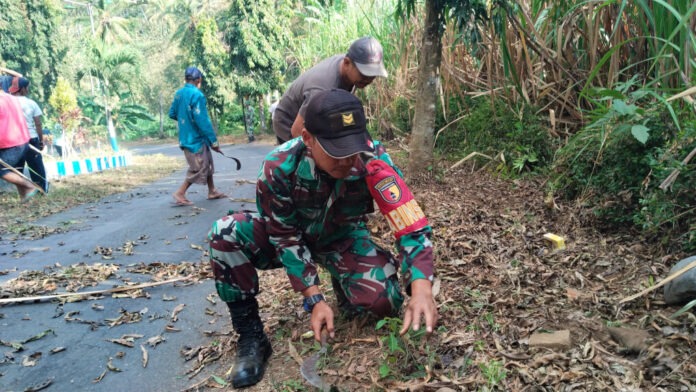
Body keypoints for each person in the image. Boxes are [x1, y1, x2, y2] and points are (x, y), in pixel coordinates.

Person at [209, 89, 437, 388]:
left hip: (341, 236)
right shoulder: (279, 166)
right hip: (290, 239)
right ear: (308, 138)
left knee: (383, 300)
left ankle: (345, 283)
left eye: (351, 148)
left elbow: (409, 223)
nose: (346, 160)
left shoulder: (372, 158)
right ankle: (251, 336)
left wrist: (421, 288)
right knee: (225, 232)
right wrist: (313, 299)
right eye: (335, 150)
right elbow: (285, 237)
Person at [272, 36, 388, 144]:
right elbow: (297, 131)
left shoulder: (350, 70)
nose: (369, 79)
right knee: (310, 159)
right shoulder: (322, 89)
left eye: (373, 74)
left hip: (315, 116)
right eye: (365, 73)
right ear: (347, 62)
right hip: (289, 124)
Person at [168, 66, 225, 206]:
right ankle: (180, 192)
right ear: (199, 80)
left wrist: (185, 120)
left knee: (207, 162)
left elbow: (172, 113)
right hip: (195, 139)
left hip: (186, 137)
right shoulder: (197, 95)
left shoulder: (179, 94)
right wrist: (214, 141)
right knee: (199, 167)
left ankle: (212, 190)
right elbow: (202, 120)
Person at [10, 77, 49, 193]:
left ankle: (23, 192)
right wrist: (41, 141)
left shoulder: (8, 103)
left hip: (15, 141)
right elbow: (38, 123)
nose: (28, 90)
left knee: (17, 169)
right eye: (27, 88)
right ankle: (41, 190)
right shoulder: (31, 103)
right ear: (22, 89)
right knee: (36, 167)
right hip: (31, 139)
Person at [0, 89, 38, 201]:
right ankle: (25, 199)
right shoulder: (11, 98)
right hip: (22, 140)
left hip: (10, 143)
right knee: (15, 170)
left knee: (4, 170)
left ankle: (29, 186)